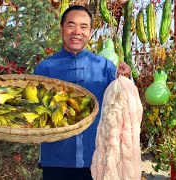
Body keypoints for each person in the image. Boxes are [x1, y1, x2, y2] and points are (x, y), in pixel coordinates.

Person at [34, 5, 131, 180]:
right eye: (71, 25)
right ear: (62, 28)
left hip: (96, 158)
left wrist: (126, 78)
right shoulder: (45, 68)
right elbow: (35, 110)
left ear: (90, 31)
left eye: (83, 26)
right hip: (56, 160)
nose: (77, 31)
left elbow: (124, 101)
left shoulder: (105, 67)